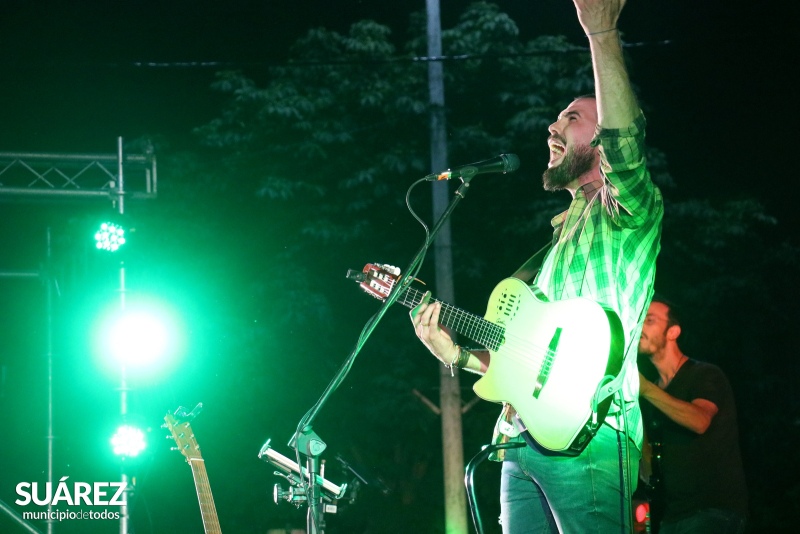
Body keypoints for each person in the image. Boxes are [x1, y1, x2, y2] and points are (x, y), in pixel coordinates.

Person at [410, 0, 663, 531]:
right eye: (555, 118)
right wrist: (454, 353)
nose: (552, 128)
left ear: (599, 138)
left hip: (588, 438)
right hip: (516, 441)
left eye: (571, 118)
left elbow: (627, 144)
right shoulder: (551, 246)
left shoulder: (627, 212)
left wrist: (601, 33)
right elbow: (526, 363)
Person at [637, 297, 748, 533]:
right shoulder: (650, 391)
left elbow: (700, 421)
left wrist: (646, 389)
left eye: (649, 320)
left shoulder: (704, 374)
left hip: (714, 511)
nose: (640, 326)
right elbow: (647, 460)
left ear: (673, 331)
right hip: (671, 516)